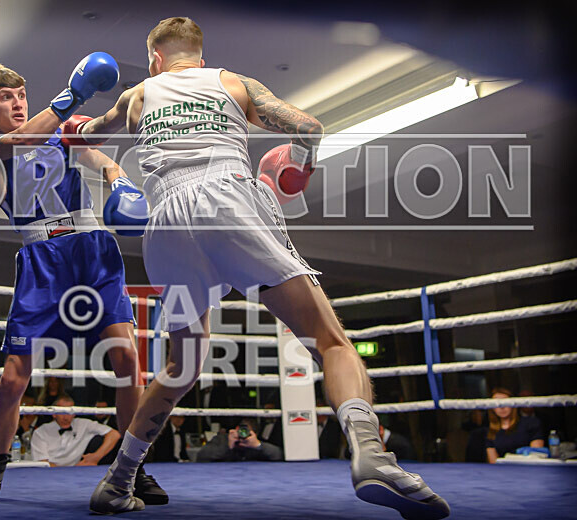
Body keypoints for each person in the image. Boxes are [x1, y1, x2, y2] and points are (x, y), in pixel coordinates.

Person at [78, 17, 450, 518]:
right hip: (226, 201)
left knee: (181, 364)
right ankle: (372, 457)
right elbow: (310, 128)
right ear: (200, 58)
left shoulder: (137, 95)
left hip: (164, 225)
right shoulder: (232, 82)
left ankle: (117, 482)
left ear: (155, 60)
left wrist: (73, 121)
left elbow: (88, 136)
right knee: (332, 341)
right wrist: (298, 165)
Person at [0, 56, 165, 504]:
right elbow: (21, 140)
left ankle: (134, 472)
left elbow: (95, 144)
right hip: (42, 259)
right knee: (15, 377)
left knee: (127, 364)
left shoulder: (60, 127)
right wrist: (72, 95)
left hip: (93, 250)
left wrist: (119, 178)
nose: (17, 103)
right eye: (5, 98)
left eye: (21, 94)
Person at [30, 395, 120, 466]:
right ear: (54, 414)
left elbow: (114, 434)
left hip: (76, 473)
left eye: (70, 412)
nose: (66, 416)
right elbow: (43, 463)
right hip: (50, 474)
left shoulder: (83, 424)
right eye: (63, 412)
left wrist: (96, 457)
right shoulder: (41, 432)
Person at [485, 387, 544, 463]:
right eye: (497, 403)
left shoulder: (531, 423)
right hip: (503, 472)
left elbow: (536, 455)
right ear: (492, 408)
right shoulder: (491, 431)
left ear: (513, 404)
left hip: (528, 469)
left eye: (505, 402)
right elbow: (494, 462)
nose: (502, 407)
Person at [197, 419, 282, 462]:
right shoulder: (222, 439)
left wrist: (258, 445)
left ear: (255, 434)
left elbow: (279, 455)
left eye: (247, 433)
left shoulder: (256, 443)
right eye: (241, 431)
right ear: (237, 429)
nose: (243, 435)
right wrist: (228, 446)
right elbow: (201, 455)